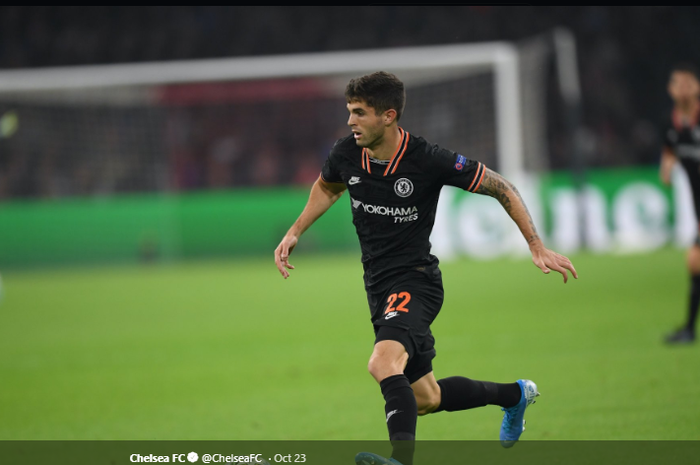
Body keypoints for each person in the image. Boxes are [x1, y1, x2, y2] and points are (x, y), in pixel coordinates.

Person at [274, 71, 578, 465]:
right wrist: (296, 230)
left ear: (388, 115)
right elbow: (328, 185)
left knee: (382, 363)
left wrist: (536, 246)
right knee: (425, 399)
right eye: (349, 112)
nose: (350, 122)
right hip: (378, 287)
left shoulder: (427, 160)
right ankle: (515, 394)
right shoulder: (346, 153)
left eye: (359, 113)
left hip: (416, 280)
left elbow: (502, 187)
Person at [660, 63, 700, 345]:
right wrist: (668, 164)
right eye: (679, 83)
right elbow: (670, 150)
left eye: (689, 83)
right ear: (671, 90)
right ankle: (688, 330)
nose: (684, 88)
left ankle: (688, 330)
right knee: (695, 263)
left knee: (695, 260)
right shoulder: (671, 125)